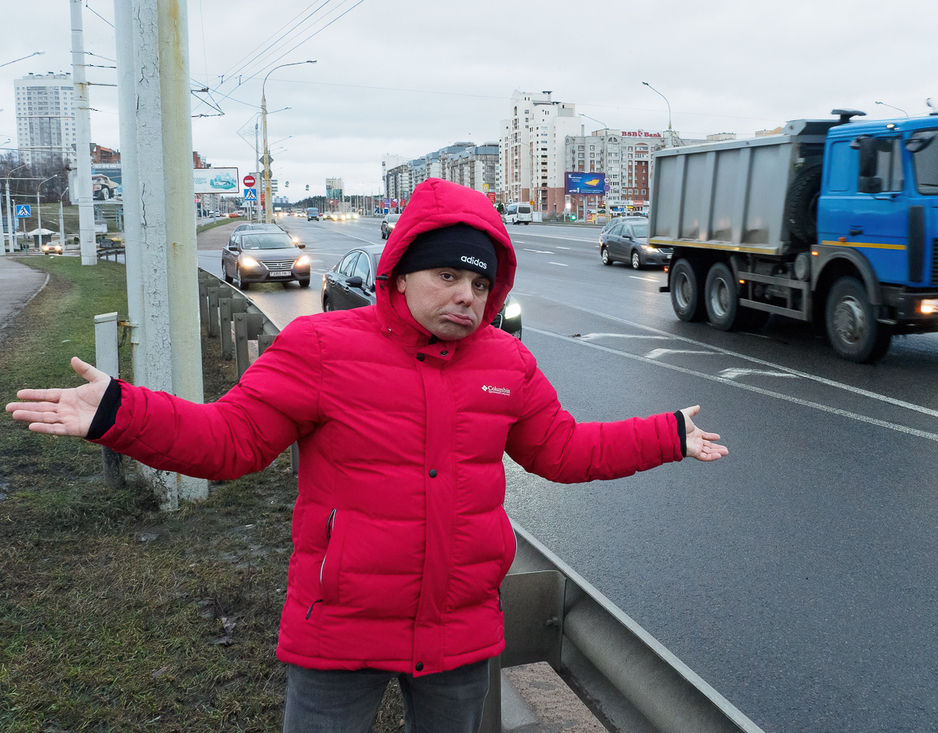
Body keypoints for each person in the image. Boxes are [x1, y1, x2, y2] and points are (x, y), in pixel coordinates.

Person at [7, 177, 728, 732]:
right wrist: (119, 412)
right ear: (402, 272)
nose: (467, 297)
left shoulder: (507, 362)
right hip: (339, 627)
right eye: (449, 276)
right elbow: (229, 443)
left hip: (458, 631)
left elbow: (563, 450)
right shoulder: (321, 348)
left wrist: (664, 433)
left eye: (481, 284)